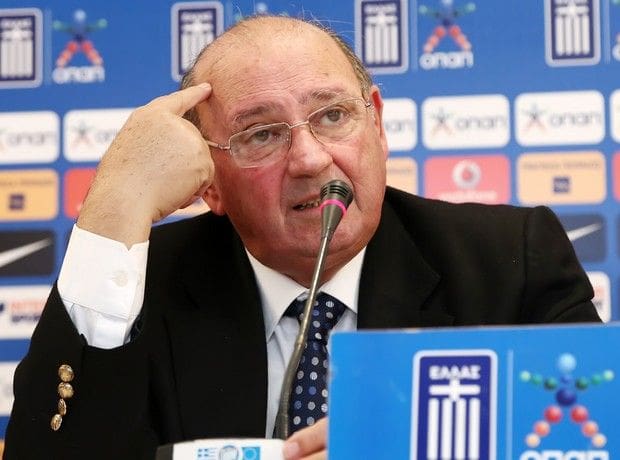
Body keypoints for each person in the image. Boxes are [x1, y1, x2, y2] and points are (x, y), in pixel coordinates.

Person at [5, 15, 599, 460]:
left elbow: (589, 439)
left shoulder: (509, 261)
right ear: (209, 182)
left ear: (377, 125)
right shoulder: (141, 287)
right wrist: (114, 208)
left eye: (333, 115)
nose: (311, 159)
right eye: (262, 134)